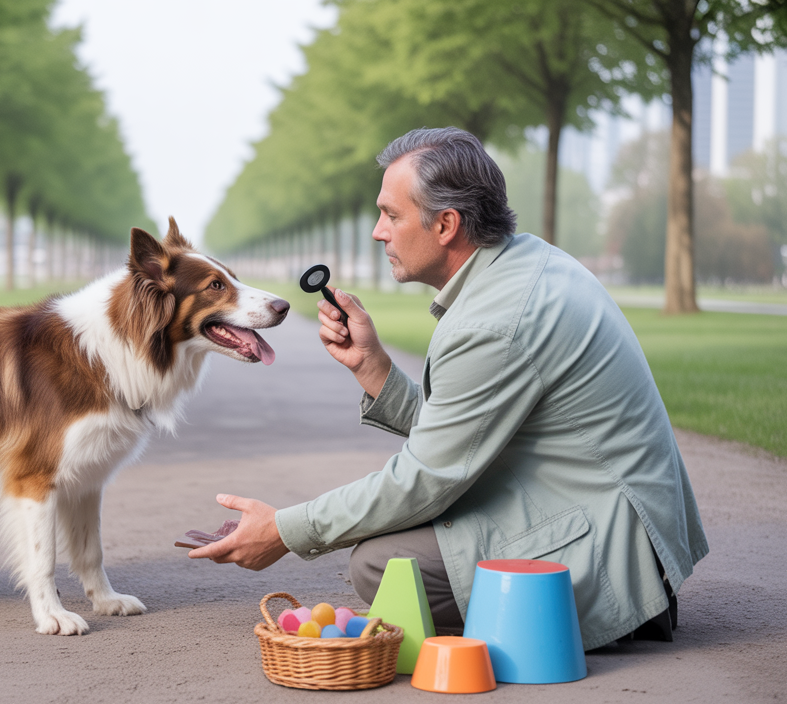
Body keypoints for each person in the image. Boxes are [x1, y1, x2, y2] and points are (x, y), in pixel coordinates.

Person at [188, 127, 708, 649]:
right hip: (609, 512)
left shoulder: (494, 319)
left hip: (615, 541)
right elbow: (466, 433)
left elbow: (426, 477)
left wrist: (283, 530)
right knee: (392, 545)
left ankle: (603, 609)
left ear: (446, 224)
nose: (377, 231)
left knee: (382, 563)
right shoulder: (523, 266)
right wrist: (374, 369)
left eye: (391, 215)